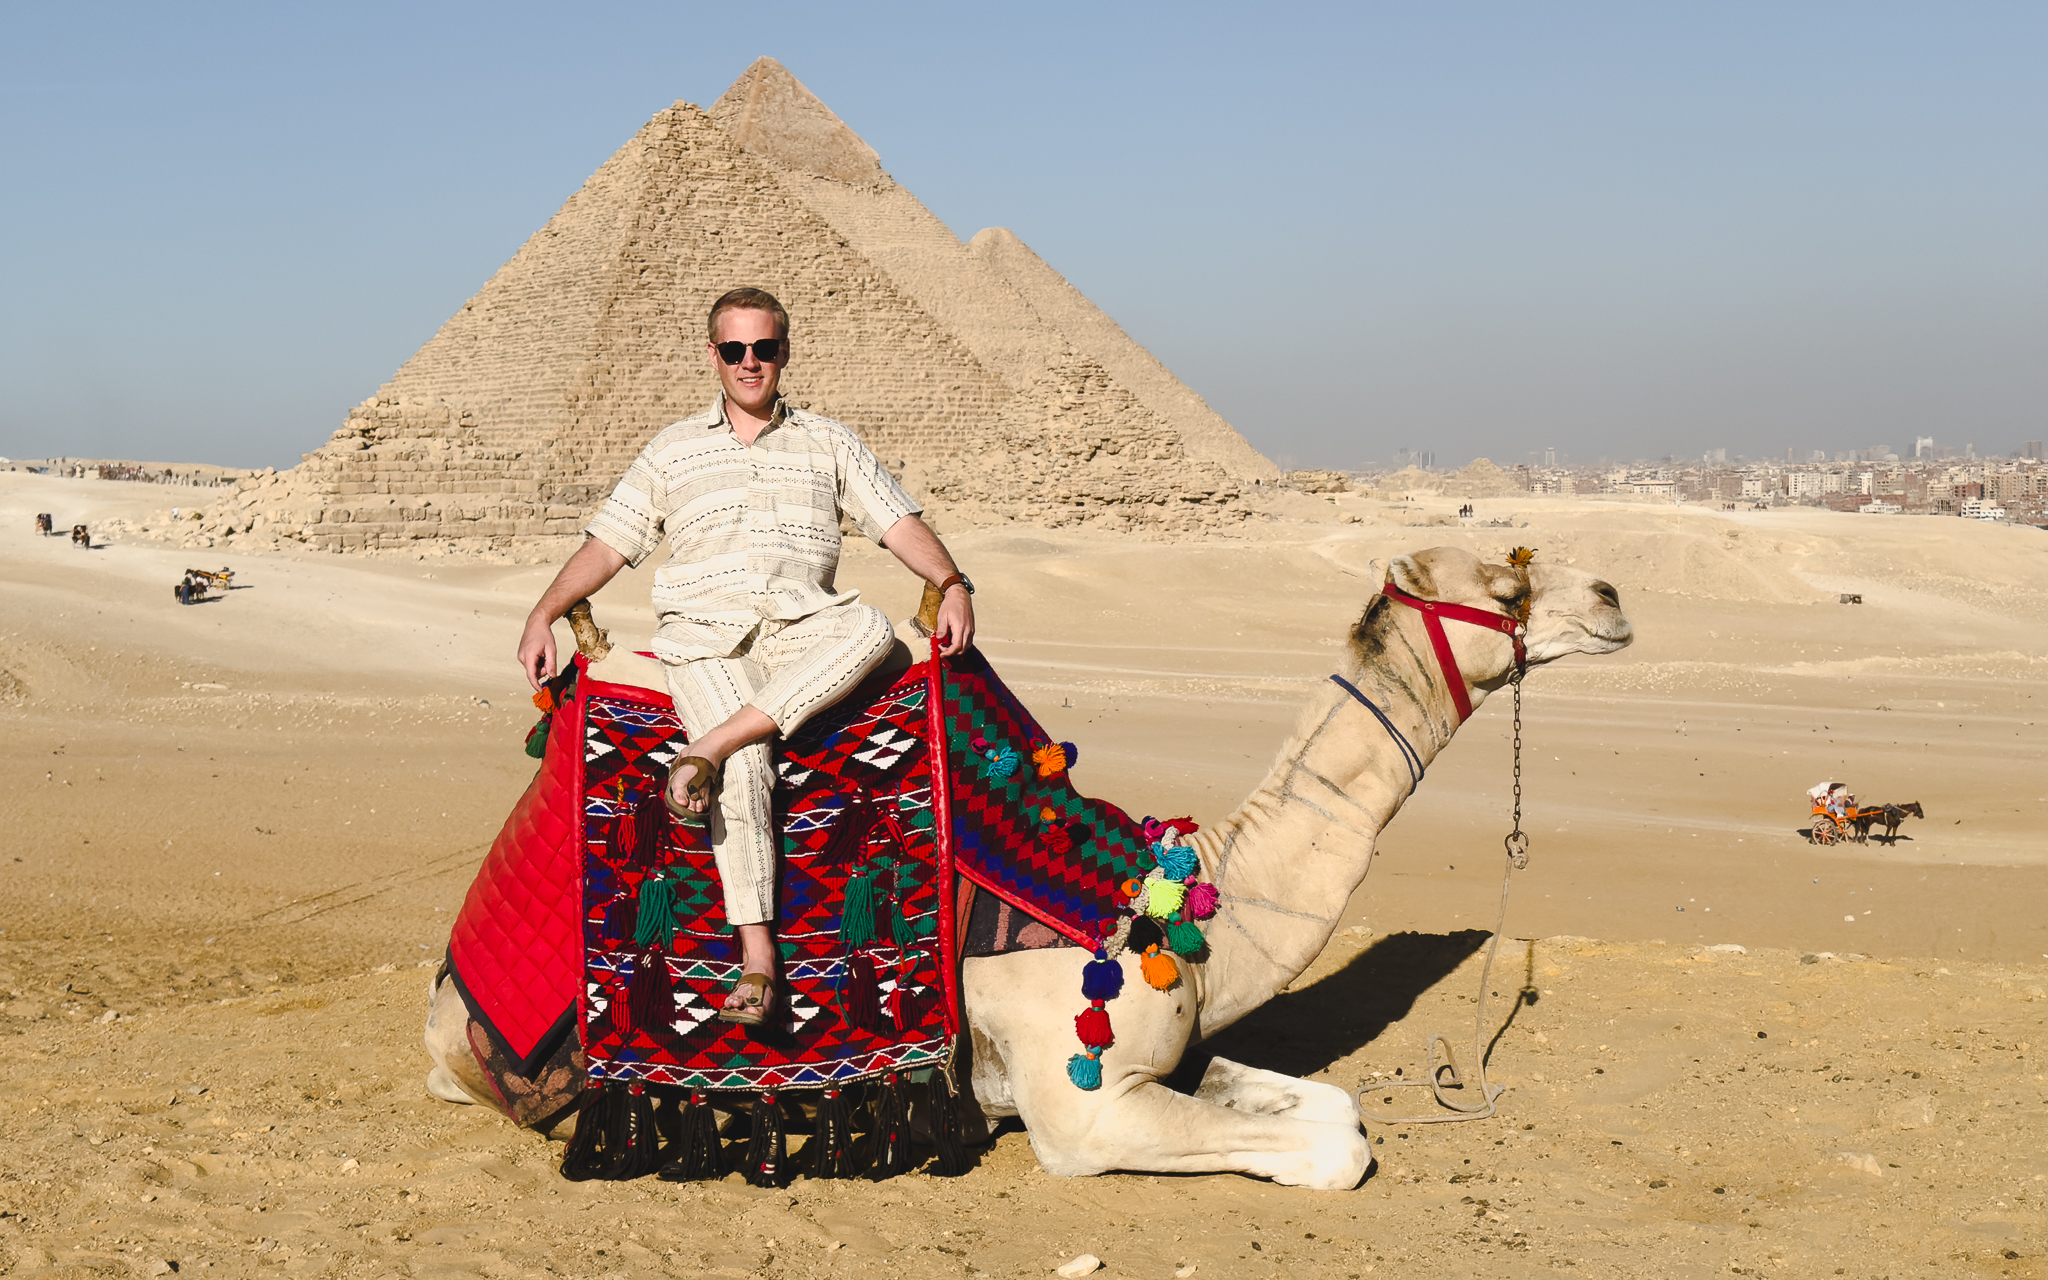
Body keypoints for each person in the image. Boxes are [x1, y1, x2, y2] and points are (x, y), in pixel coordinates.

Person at [517, 287, 976, 1025]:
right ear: (713, 355)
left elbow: (898, 522)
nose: (750, 363)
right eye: (734, 350)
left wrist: (951, 582)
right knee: (751, 766)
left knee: (870, 630)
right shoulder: (671, 450)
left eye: (764, 349)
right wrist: (542, 613)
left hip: (805, 628)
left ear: (785, 352)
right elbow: (607, 545)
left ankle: (708, 744)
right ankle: (759, 957)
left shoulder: (829, 442)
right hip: (705, 635)